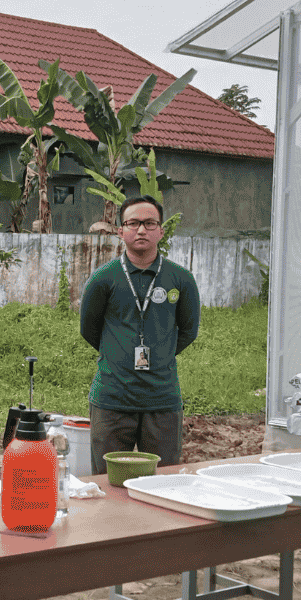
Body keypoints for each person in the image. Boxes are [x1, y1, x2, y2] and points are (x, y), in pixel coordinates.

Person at [79, 194, 200, 474]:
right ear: (121, 231)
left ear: (161, 230)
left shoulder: (180, 279)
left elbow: (189, 330)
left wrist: (162, 351)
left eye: (149, 223)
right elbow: (89, 330)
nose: (141, 230)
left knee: (163, 482)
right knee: (108, 483)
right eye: (133, 223)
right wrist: (116, 353)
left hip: (162, 400)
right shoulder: (103, 279)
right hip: (112, 399)